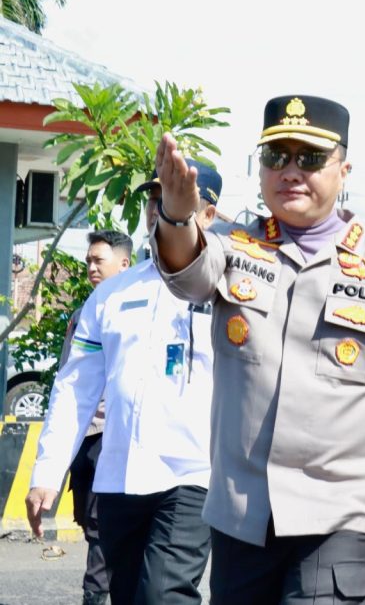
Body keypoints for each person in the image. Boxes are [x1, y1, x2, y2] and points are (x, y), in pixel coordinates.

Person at [150, 95, 365, 604]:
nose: (291, 171)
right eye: (277, 157)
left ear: (344, 170)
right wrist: (177, 216)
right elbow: (186, 273)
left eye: (310, 158)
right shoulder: (233, 244)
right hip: (244, 512)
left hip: (341, 514)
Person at [27, 164, 221, 604]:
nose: (159, 211)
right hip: (119, 478)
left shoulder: (223, 289)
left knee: (163, 594)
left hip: (191, 474)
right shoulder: (110, 296)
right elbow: (75, 388)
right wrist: (47, 473)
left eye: (175, 201)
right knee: (126, 595)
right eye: (155, 201)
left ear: (207, 216)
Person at [59, 230, 133, 605]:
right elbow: (68, 376)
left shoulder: (135, 312)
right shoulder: (82, 313)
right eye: (88, 260)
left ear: (124, 264)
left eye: (98, 260)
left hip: (114, 436)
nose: (91, 267)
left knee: (102, 525)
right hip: (86, 436)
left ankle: (96, 595)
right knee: (89, 524)